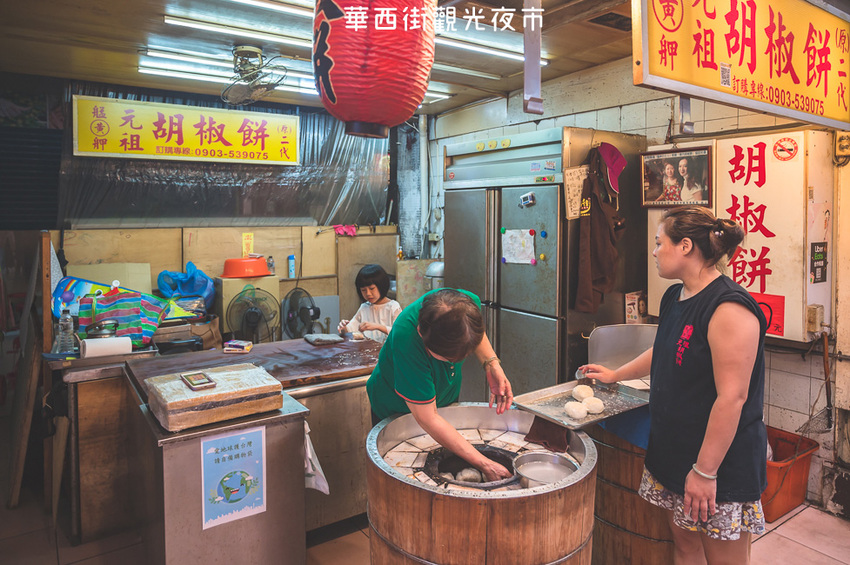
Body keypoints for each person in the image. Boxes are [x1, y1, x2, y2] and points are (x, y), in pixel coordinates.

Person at [579, 206, 767, 564]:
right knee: (684, 548)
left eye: (657, 242)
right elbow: (663, 347)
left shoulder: (728, 308)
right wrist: (616, 374)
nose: (653, 251)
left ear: (684, 247)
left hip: (717, 464)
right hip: (674, 452)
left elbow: (733, 398)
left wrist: (705, 471)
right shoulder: (674, 296)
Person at [367, 288, 514, 481]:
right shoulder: (407, 338)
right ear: (422, 334)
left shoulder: (464, 305)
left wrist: (491, 363)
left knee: (446, 450)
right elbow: (427, 418)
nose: (454, 363)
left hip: (443, 396)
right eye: (448, 358)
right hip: (397, 406)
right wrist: (484, 463)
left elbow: (474, 331)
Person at [337, 264, 401, 344]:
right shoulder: (364, 307)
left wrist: (378, 326)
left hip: (388, 353)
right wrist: (343, 327)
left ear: (382, 285)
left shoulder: (393, 307)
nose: (368, 293)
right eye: (363, 290)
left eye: (372, 288)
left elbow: (399, 333)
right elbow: (351, 329)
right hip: (368, 352)